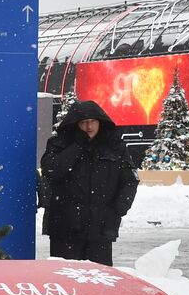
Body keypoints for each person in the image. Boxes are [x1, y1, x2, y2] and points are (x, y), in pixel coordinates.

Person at [39, 100, 139, 266]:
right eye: (84, 122)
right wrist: (77, 145)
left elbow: (129, 180)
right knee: (67, 280)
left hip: (101, 228)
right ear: (75, 124)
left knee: (99, 281)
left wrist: (119, 209)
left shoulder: (114, 146)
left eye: (93, 121)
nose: (89, 126)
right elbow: (51, 170)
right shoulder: (59, 144)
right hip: (65, 228)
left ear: (100, 122)